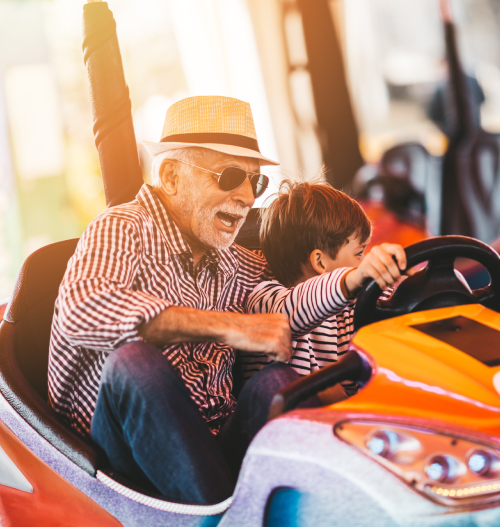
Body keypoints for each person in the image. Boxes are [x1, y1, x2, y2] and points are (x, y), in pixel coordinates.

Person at [48, 95, 298, 505]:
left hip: (212, 444)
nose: (247, 197)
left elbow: (303, 285)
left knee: (278, 385)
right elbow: (82, 308)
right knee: (136, 362)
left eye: (255, 181)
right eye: (230, 174)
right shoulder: (122, 227)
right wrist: (232, 327)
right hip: (113, 465)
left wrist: (371, 276)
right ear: (172, 176)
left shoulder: (233, 260)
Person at [242, 180, 406, 406]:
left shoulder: (355, 305)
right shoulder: (265, 301)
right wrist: (356, 277)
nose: (363, 262)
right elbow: (295, 309)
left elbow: (396, 301)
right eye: (359, 253)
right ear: (319, 261)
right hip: (286, 423)